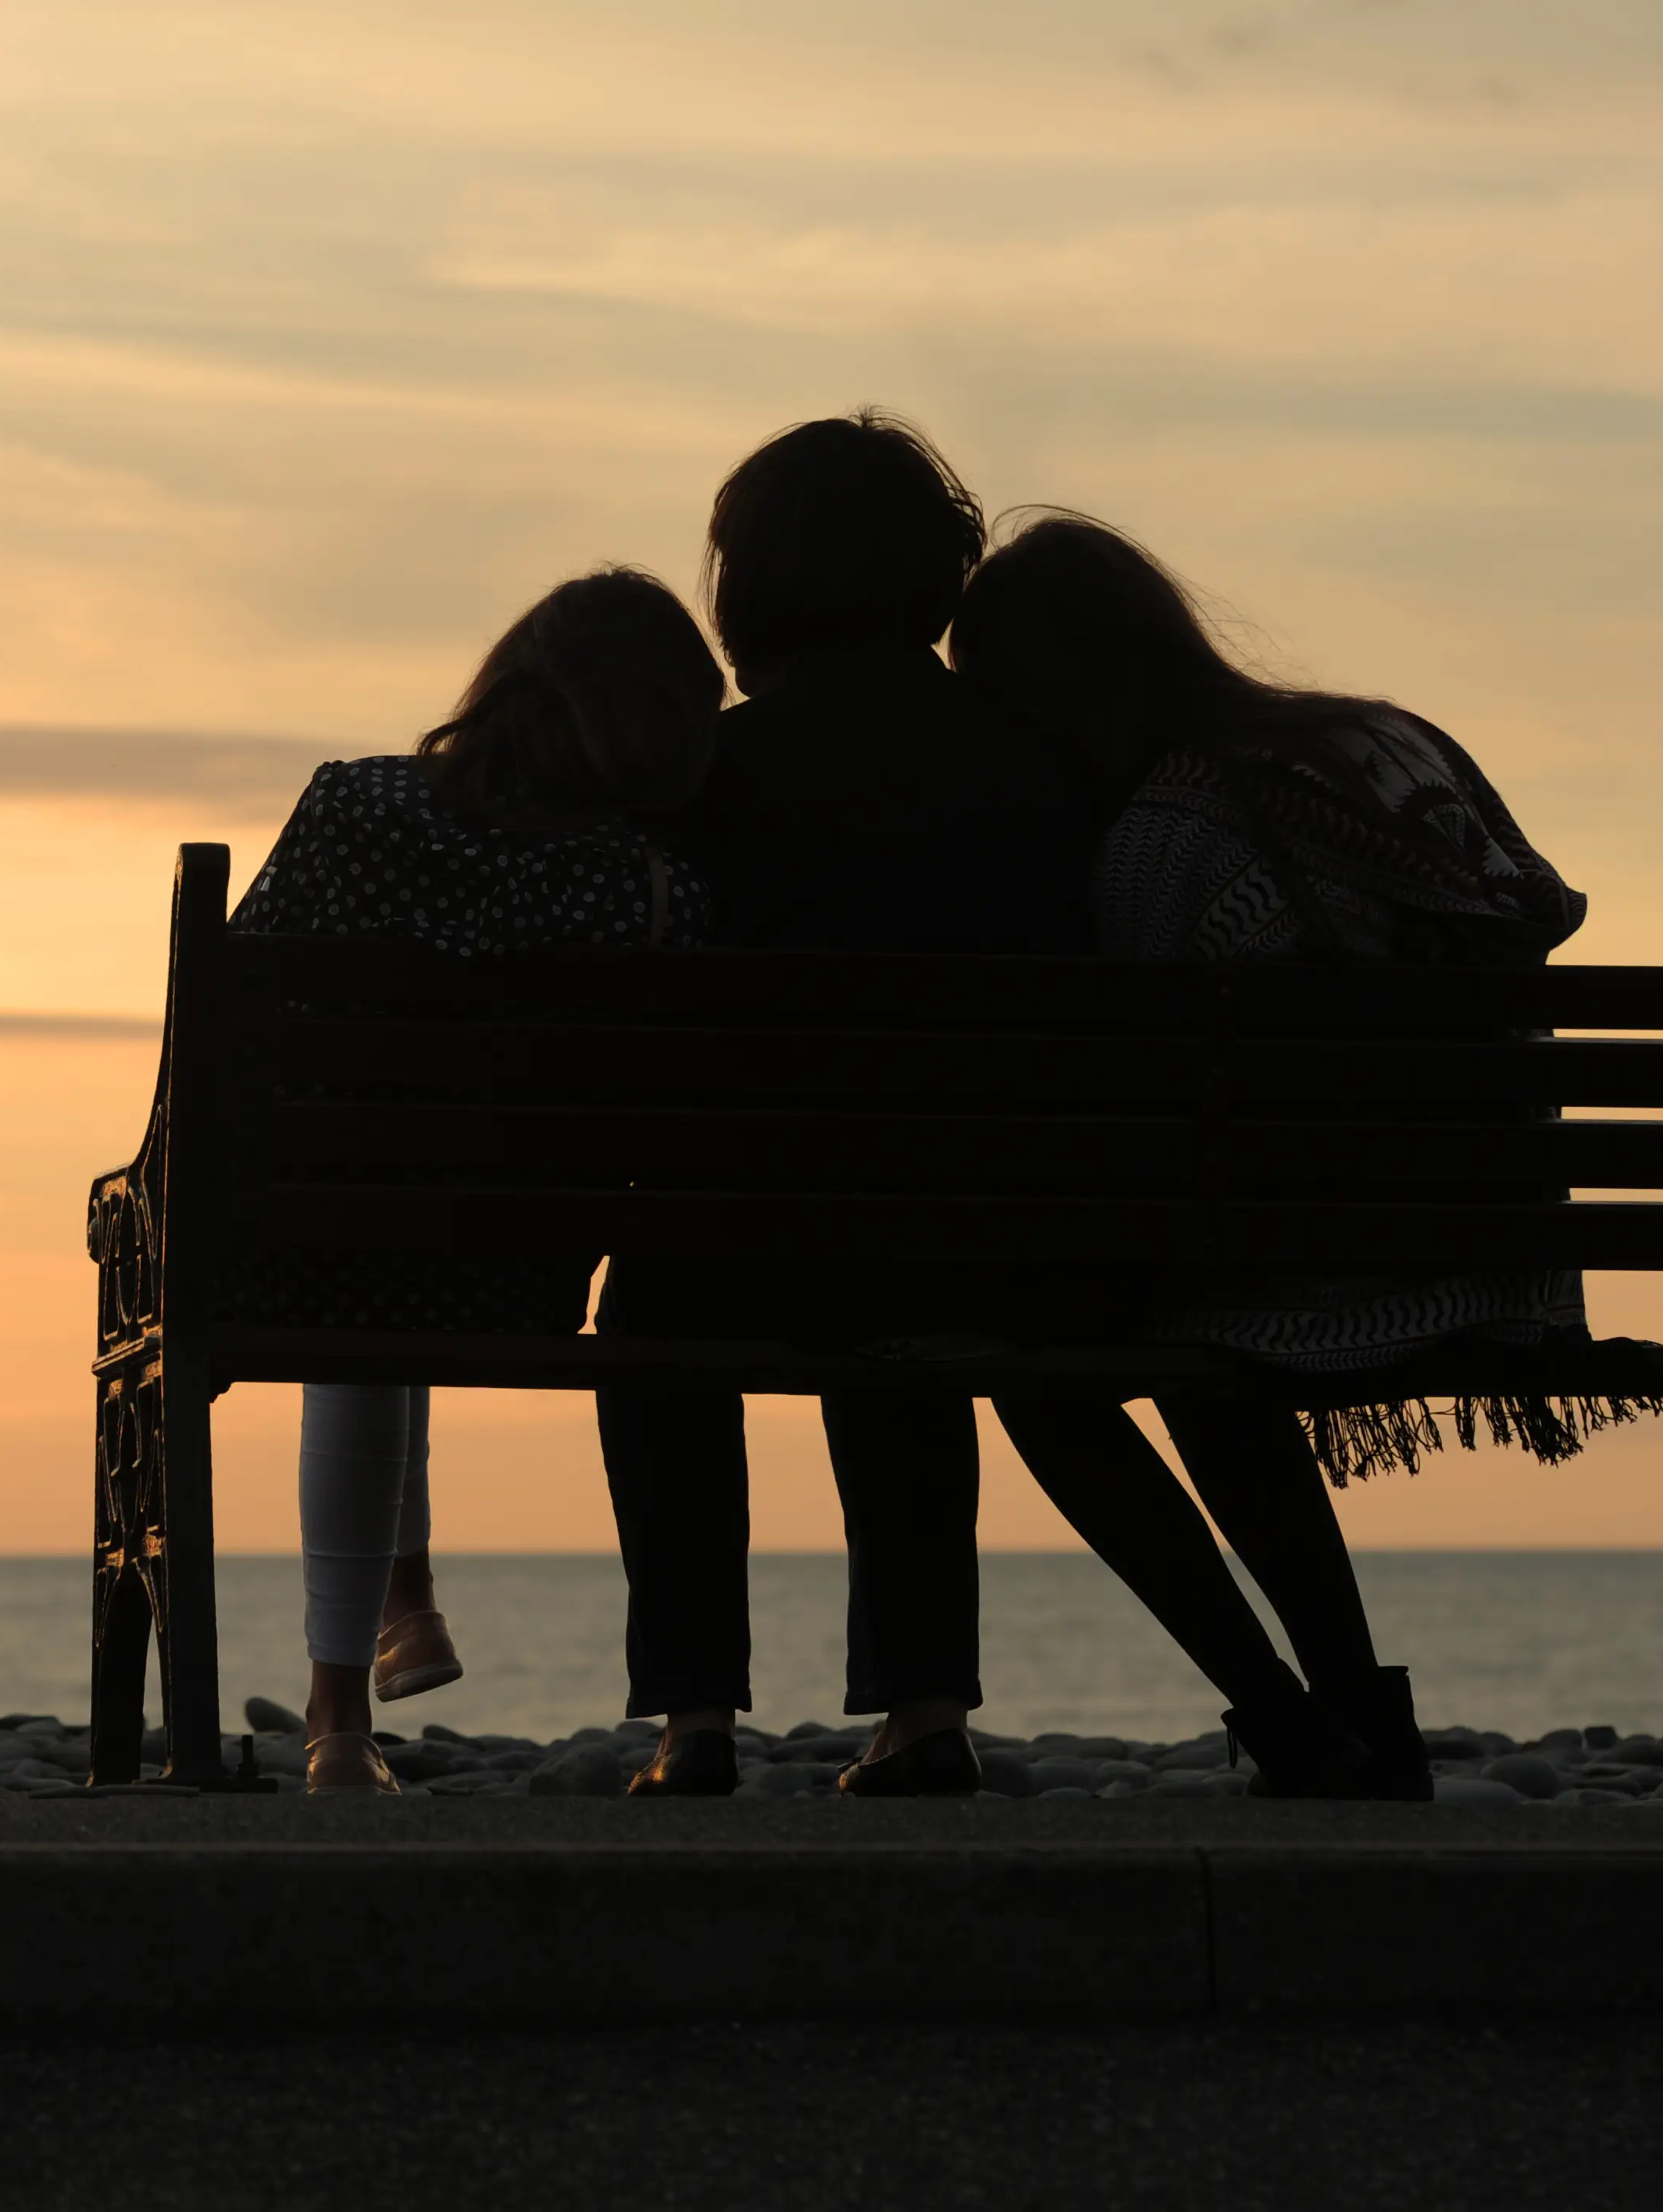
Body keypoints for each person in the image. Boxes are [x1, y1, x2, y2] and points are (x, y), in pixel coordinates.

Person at [949, 511, 1652, 1797]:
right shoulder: (1389, 741)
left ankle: (1290, 1717)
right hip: (1509, 1244)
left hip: (1332, 1271)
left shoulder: (1169, 833)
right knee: (1204, 1329)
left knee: (1051, 1374)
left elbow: (1155, 1118)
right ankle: (1355, 1717)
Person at [594, 412, 1100, 1798]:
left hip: (730, 1240)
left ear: (749, 583)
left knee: (654, 1316)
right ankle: (923, 1708)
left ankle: (695, 1719)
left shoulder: (711, 778)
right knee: (906, 1313)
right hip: (970, 1232)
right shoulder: (1039, 776)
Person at [228, 566, 725, 1795]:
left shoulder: (353, 811)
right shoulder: (651, 888)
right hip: (522, 1274)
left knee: (362, 1257)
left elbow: (233, 1026)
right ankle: (407, 1606)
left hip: (320, 1247)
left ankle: (338, 1714)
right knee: (398, 1248)